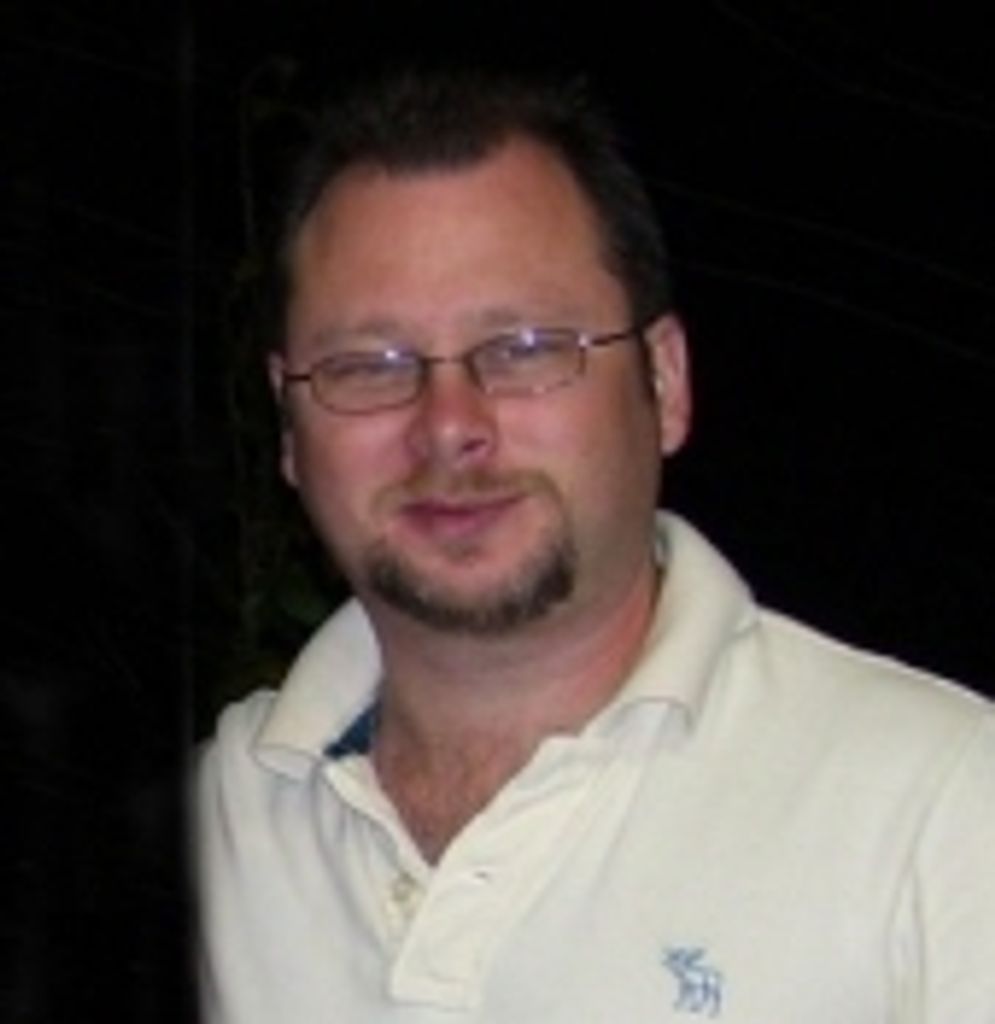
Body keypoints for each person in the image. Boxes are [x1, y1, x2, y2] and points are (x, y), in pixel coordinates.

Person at [196, 68, 995, 1022]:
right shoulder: (215, 831)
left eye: (525, 349)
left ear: (663, 381)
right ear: (288, 426)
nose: (448, 426)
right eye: (369, 366)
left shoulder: (938, 808)